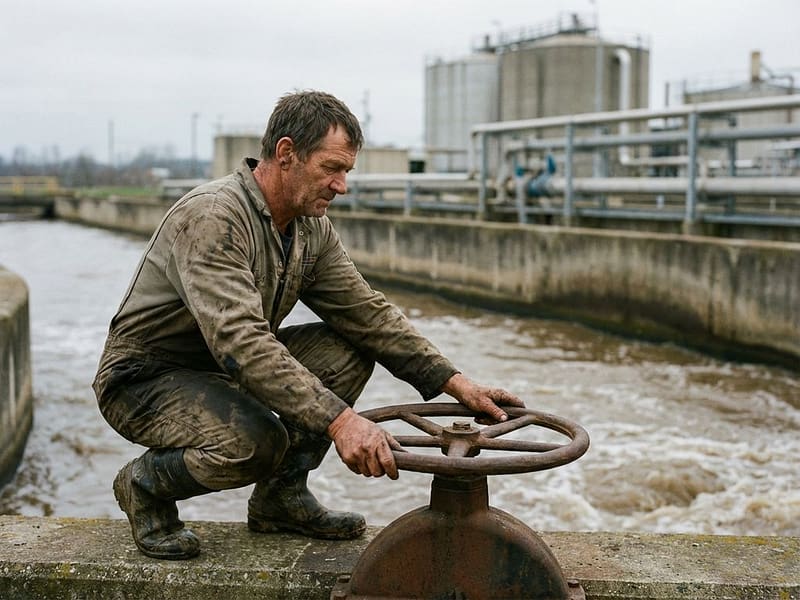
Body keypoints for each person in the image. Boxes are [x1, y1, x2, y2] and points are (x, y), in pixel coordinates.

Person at [93, 90, 524, 560]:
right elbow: (243, 343)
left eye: (347, 172)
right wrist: (342, 423)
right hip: (144, 379)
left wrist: (455, 382)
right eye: (332, 168)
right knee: (255, 441)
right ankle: (145, 487)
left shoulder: (308, 226)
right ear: (285, 154)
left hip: (223, 368)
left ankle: (281, 499)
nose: (342, 186)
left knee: (354, 347)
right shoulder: (214, 217)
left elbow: (367, 313)